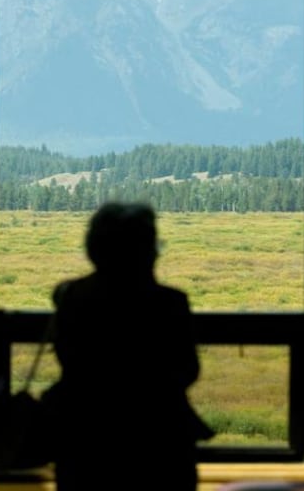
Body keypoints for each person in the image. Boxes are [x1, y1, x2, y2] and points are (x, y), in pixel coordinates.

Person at [48, 202, 211, 491]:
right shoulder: (171, 303)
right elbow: (188, 370)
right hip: (162, 439)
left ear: (94, 249)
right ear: (147, 251)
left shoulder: (73, 298)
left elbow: (69, 362)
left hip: (86, 438)